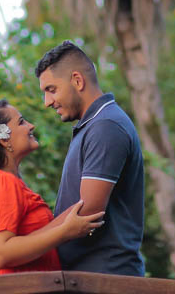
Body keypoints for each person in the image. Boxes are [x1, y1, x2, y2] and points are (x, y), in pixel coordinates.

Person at [0, 99, 105, 277]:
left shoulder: (9, 183)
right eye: (21, 122)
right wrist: (64, 232)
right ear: (3, 138)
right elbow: (2, 252)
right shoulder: (1, 182)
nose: (31, 126)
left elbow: (12, 247)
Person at [35, 40, 146, 276]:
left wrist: (22, 247)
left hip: (106, 277)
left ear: (77, 80)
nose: (47, 102)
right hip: (85, 276)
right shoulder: (93, 125)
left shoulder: (106, 125)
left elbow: (87, 212)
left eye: (51, 90)